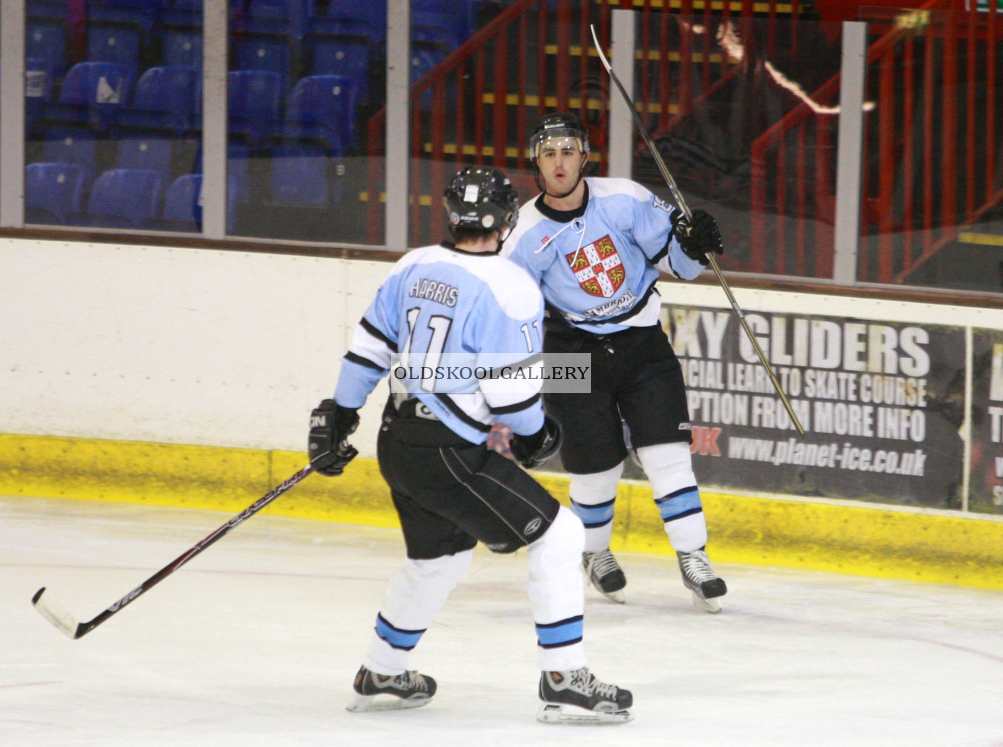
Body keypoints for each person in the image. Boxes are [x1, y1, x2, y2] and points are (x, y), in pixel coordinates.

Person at [307, 166, 633, 723]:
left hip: (398, 441)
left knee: (439, 557)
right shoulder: (510, 285)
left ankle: (382, 670)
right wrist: (537, 436)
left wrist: (337, 414)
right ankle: (564, 677)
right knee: (562, 536)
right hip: (449, 451)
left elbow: (369, 349)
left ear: (451, 214)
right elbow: (511, 392)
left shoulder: (414, 264)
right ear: (507, 220)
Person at [501, 111, 728, 613]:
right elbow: (511, 317)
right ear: (535, 162)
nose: (559, 163)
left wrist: (694, 246)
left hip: (640, 341)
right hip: (569, 353)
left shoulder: (624, 198)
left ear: (584, 156)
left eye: (568, 151)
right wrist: (518, 401)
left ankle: (694, 556)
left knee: (668, 452)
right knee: (595, 465)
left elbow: (677, 263)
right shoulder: (523, 233)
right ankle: (596, 553)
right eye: (548, 153)